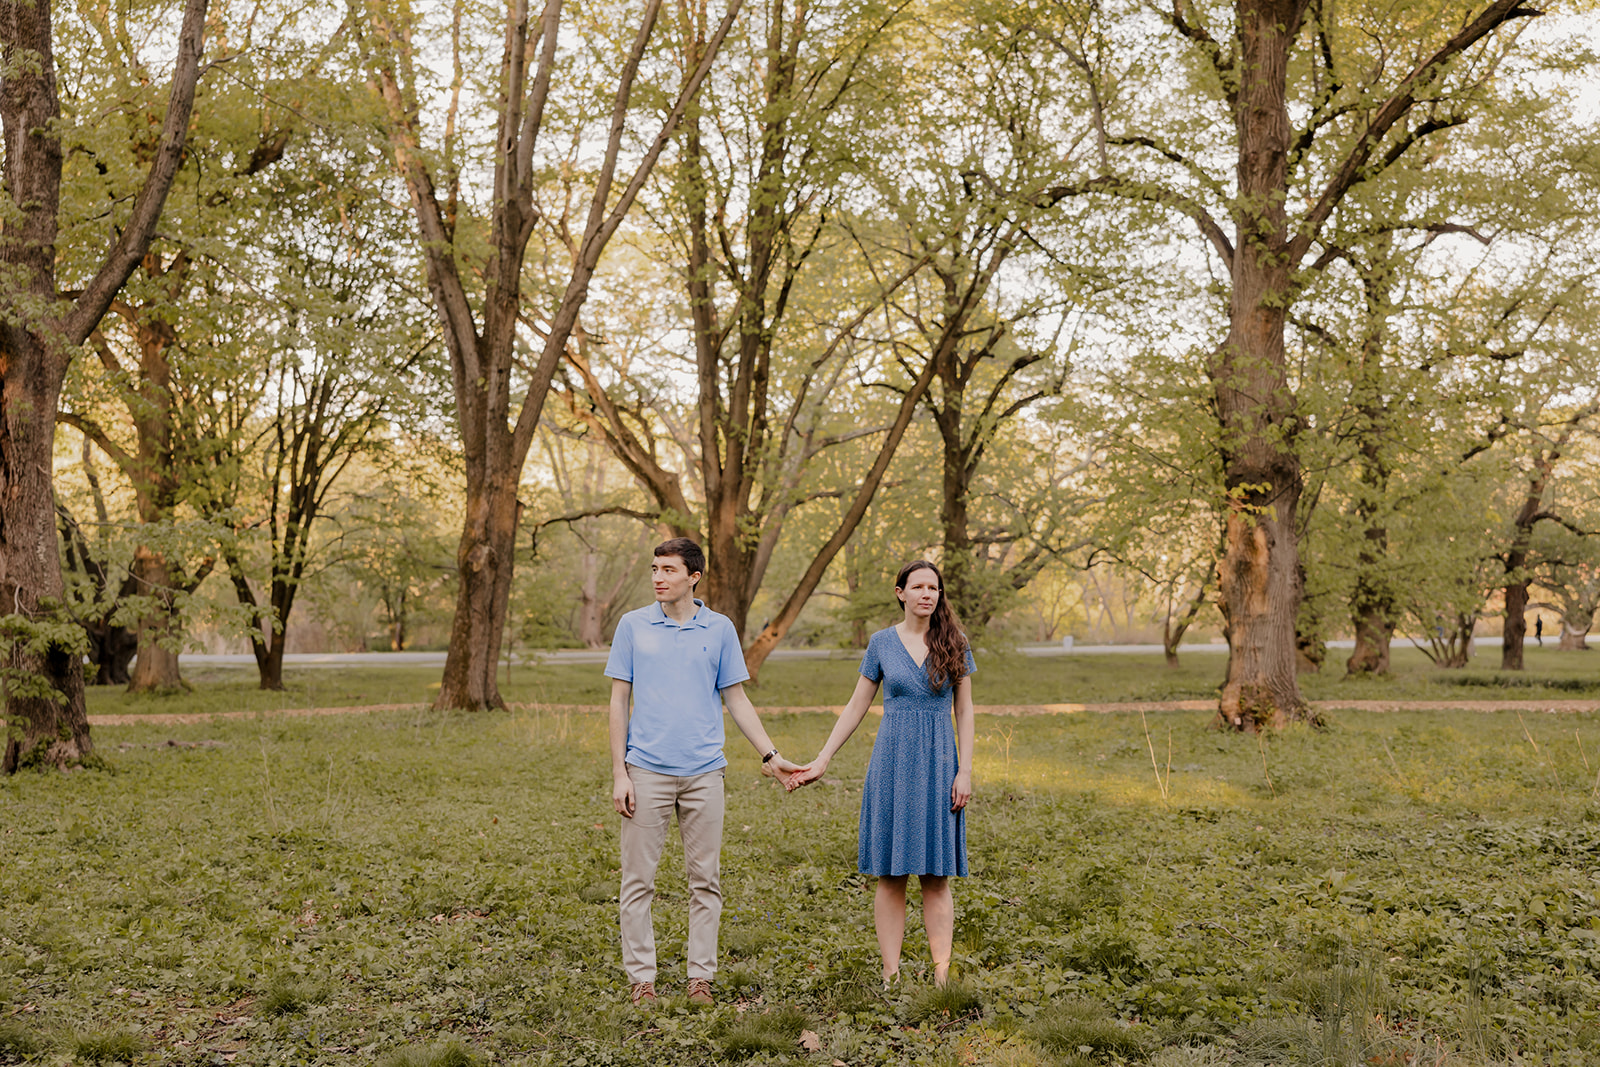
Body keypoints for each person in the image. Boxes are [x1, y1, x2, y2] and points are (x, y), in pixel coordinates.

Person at [606, 537, 805, 1009]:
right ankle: (642, 980)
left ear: (693, 576)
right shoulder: (633, 625)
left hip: (704, 774)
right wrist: (620, 772)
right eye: (654, 568)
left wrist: (769, 755)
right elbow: (618, 700)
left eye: (669, 570)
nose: (658, 577)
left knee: (705, 882)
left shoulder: (719, 629)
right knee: (638, 882)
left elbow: (735, 697)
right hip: (646, 771)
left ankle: (700, 979)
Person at [787, 560, 975, 987]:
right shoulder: (881, 643)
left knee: (935, 875)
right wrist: (823, 759)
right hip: (891, 764)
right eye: (919, 587)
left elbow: (964, 710)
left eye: (934, 588)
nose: (928, 594)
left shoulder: (955, 641)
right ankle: (891, 975)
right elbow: (856, 706)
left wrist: (965, 770)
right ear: (900, 592)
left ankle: (942, 973)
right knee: (891, 875)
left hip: (939, 764)